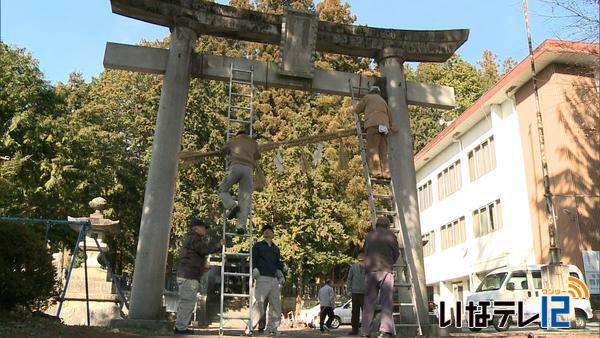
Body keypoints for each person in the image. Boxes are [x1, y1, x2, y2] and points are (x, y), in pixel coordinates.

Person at [174, 218, 224, 334]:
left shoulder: (191, 239)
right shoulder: (194, 239)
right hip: (189, 276)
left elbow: (196, 255)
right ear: (196, 228)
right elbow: (205, 250)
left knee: (185, 302)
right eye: (203, 228)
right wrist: (219, 244)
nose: (205, 230)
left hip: (187, 274)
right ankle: (181, 327)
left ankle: (180, 326)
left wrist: (202, 267)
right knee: (187, 302)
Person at [361, 216, 400, 338]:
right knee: (386, 302)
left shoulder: (369, 236)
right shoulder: (391, 236)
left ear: (376, 225)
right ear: (388, 226)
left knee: (369, 302)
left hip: (370, 271)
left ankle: (365, 331)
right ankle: (385, 331)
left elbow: (365, 252)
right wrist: (390, 262)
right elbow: (396, 253)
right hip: (385, 271)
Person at [219, 129, 261, 235]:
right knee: (244, 199)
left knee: (222, 190)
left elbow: (222, 151)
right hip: (248, 170)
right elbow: (257, 156)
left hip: (235, 166)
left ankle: (232, 205)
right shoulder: (253, 143)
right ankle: (240, 226)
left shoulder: (233, 141)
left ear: (238, 135)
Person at [250, 225, 285, 336]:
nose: (266, 231)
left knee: (276, 305)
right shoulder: (258, 246)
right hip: (262, 277)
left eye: (269, 230)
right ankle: (250, 327)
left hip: (274, 279)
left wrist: (281, 272)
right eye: (264, 230)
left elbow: (277, 263)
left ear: (273, 234)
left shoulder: (276, 249)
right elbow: (253, 258)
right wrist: (254, 268)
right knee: (259, 303)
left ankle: (273, 328)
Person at [353, 86, 394, 179]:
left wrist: (355, 107)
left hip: (373, 125)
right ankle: (386, 173)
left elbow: (357, 110)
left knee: (373, 149)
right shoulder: (383, 101)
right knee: (383, 150)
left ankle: (376, 172)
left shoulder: (367, 98)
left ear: (370, 92)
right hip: (385, 128)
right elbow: (390, 116)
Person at [346, 252, 366, 335]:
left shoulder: (368, 268)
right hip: (357, 292)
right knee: (355, 312)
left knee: (362, 312)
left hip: (363, 292)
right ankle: (355, 330)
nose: (362, 262)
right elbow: (349, 279)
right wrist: (349, 289)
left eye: (363, 261)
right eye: (360, 261)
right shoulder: (353, 268)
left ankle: (363, 330)